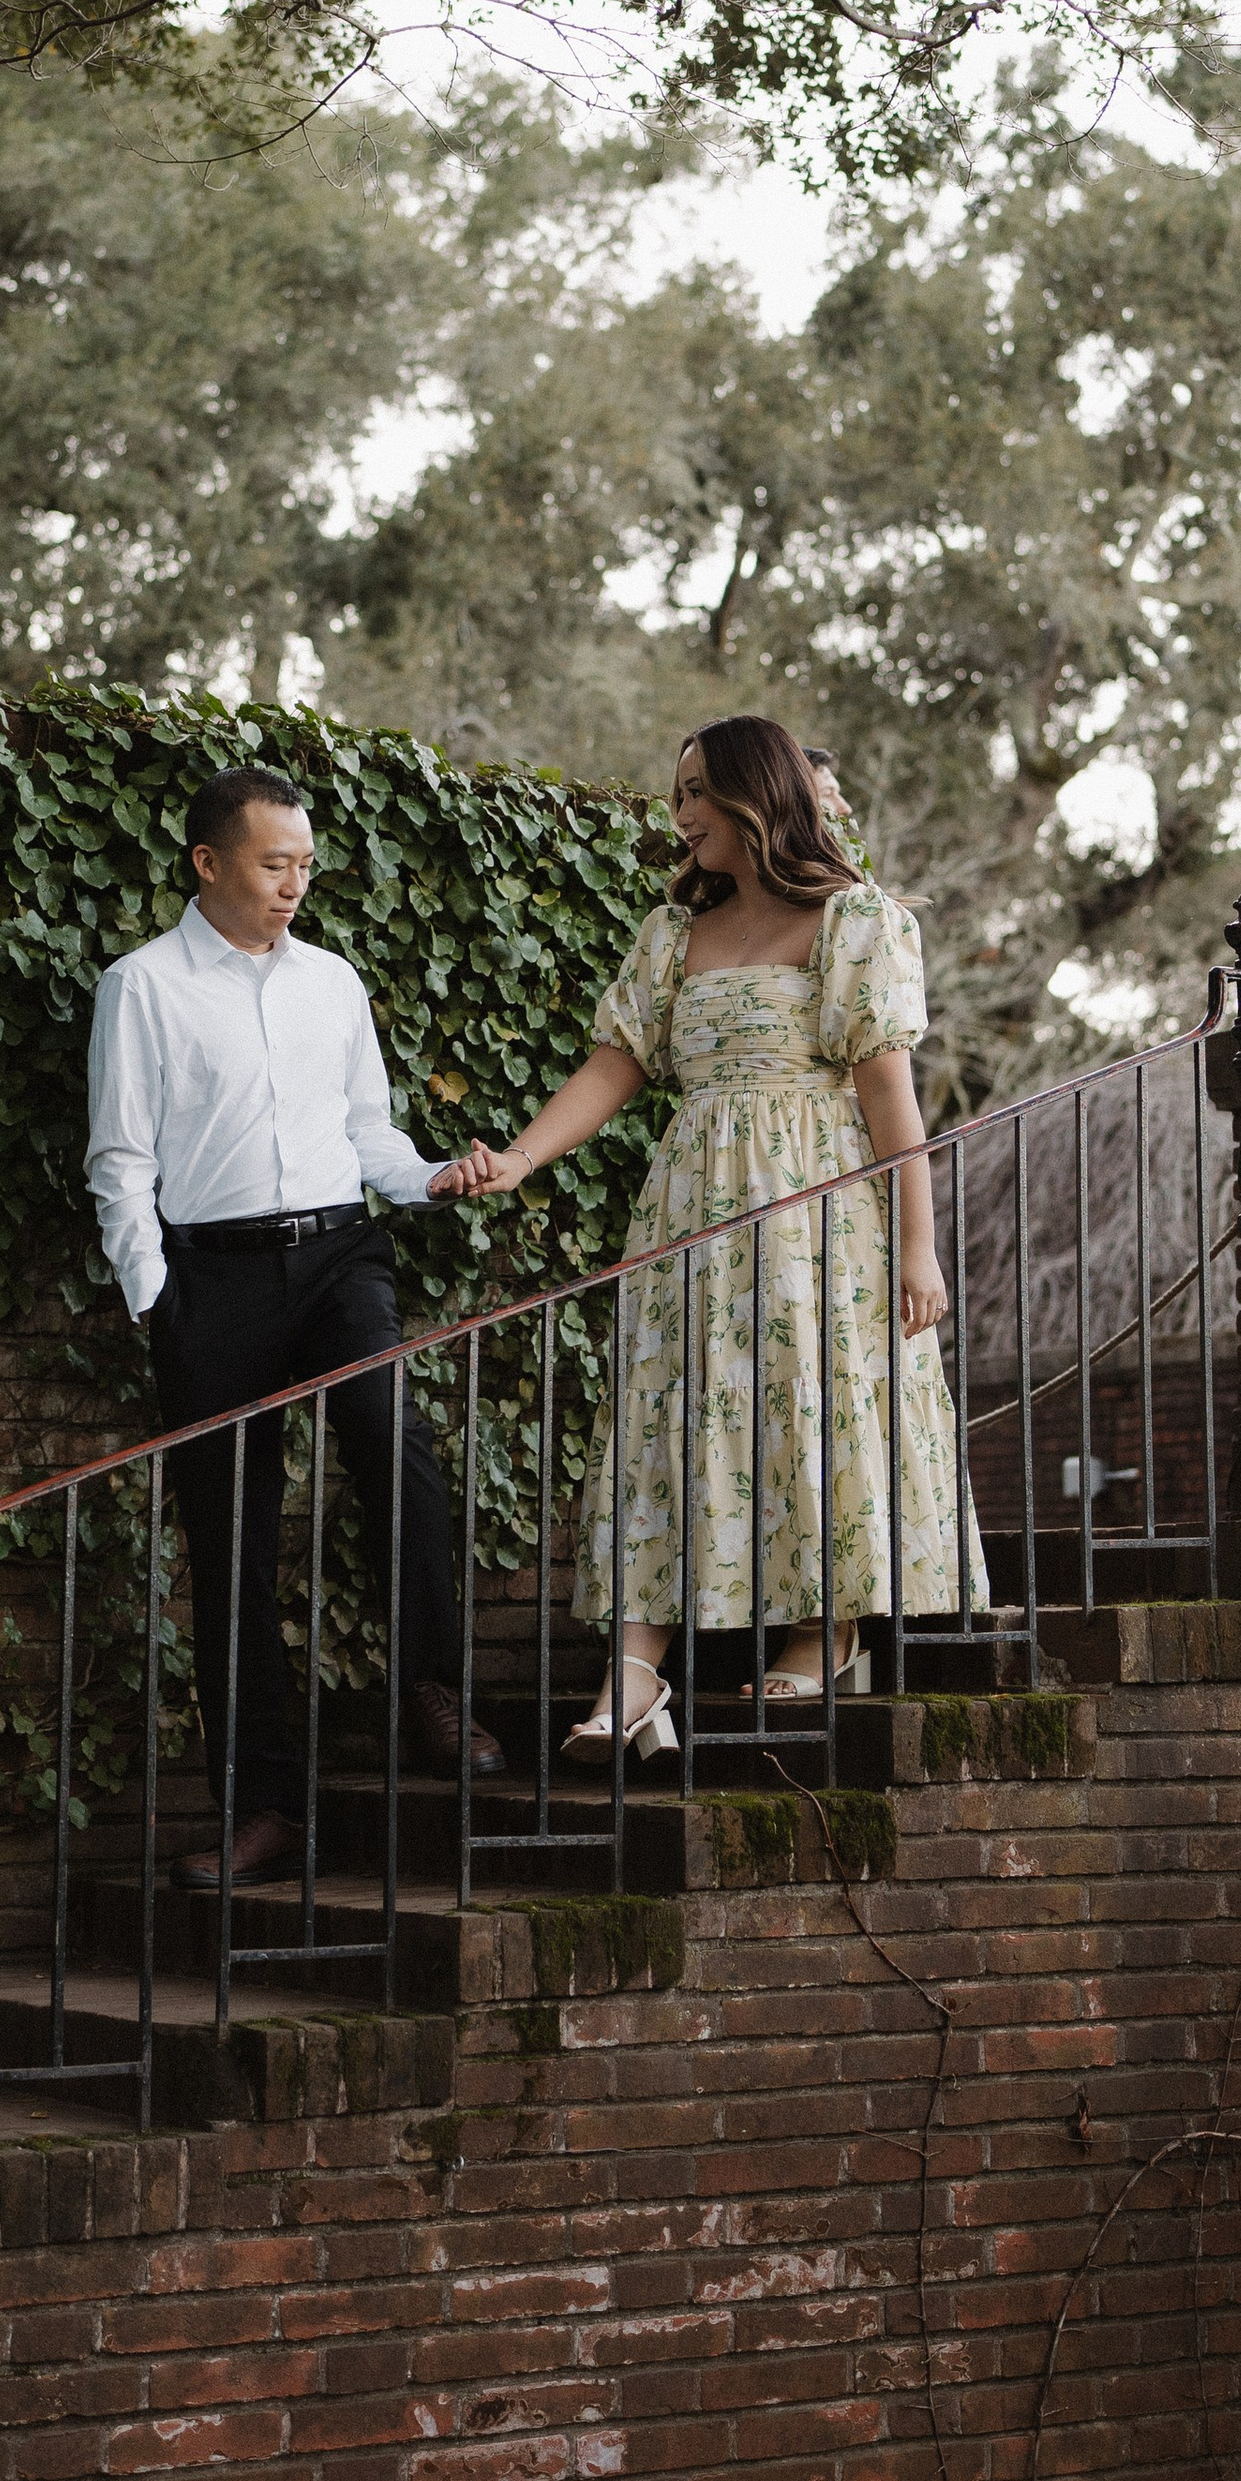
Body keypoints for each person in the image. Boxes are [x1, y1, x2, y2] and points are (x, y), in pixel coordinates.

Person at [445, 714, 984, 1758]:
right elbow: (615, 1066)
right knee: (669, 1412)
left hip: (817, 1210)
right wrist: (516, 1157)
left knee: (807, 1406)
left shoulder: (853, 925)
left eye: (697, 792)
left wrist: (917, 1248)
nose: (680, 813)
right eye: (677, 792)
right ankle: (635, 1672)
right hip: (690, 1210)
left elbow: (892, 1106)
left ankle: (823, 1632)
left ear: (754, 796)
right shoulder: (669, 936)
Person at [86, 764, 504, 1891]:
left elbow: (367, 1132)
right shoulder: (143, 988)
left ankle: (428, 1686)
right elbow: (121, 1161)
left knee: (392, 1435)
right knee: (231, 1543)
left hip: (337, 1255)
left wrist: (428, 1180)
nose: (294, 885)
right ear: (208, 864)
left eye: (305, 865)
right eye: (275, 864)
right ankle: (267, 1810)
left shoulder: (333, 983)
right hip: (209, 1283)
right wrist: (154, 1302)